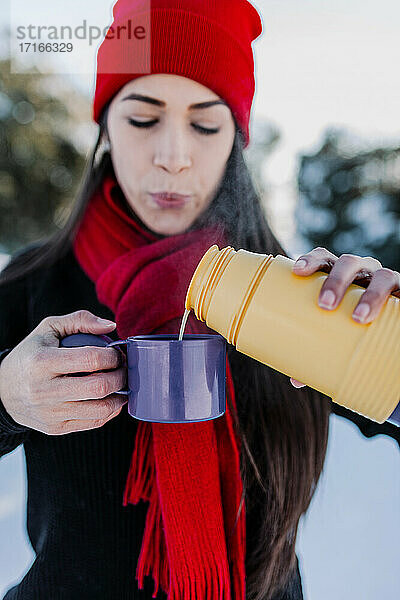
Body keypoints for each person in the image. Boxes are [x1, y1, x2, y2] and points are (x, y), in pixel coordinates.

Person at [0, 1, 399, 599]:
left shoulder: (298, 294)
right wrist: (6, 397)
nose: (174, 155)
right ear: (105, 126)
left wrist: (384, 331)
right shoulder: (34, 285)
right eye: (142, 119)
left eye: (206, 124)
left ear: (237, 139)